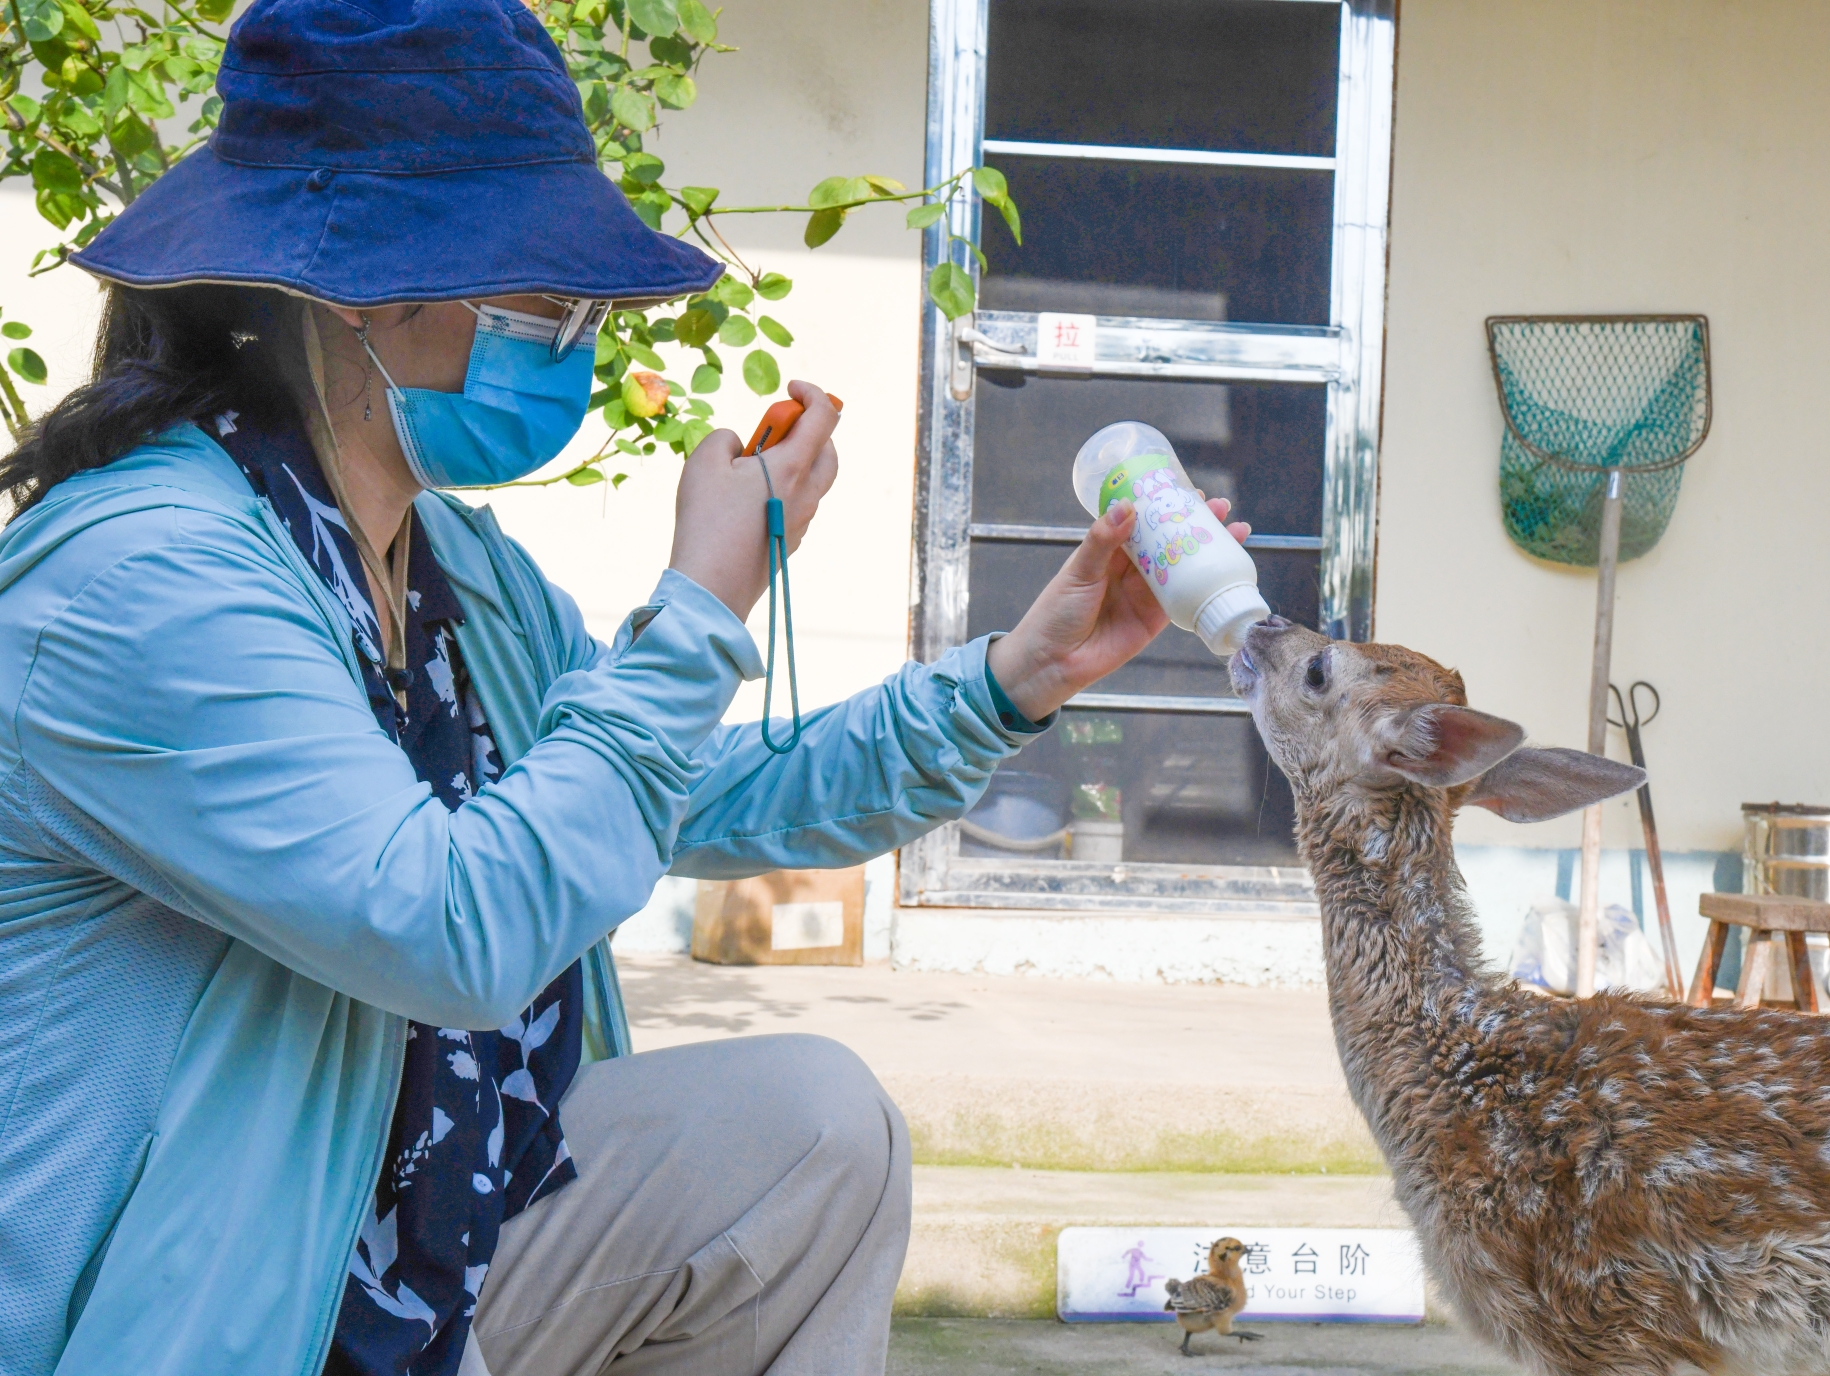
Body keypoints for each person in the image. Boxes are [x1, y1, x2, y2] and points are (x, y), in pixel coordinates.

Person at [0, 3, 1251, 1375]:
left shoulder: (453, 567)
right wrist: (701, 607)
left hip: (417, 1223)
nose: (578, 339)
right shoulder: (147, 582)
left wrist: (1016, 679)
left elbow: (680, 784)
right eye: (548, 293)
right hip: (226, 1305)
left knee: (812, 1130)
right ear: (362, 287)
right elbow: (450, 926)